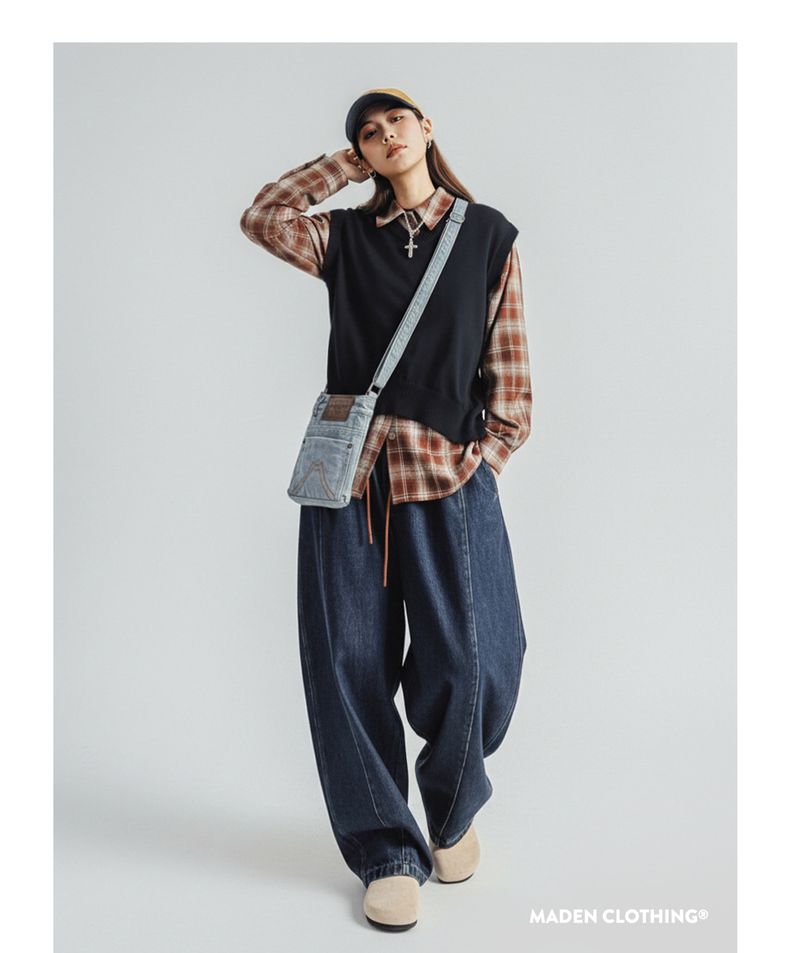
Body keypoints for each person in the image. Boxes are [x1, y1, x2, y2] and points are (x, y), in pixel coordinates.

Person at [240, 87, 532, 932]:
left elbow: (509, 361)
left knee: (480, 656)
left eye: (395, 121)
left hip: (449, 472)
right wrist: (346, 163)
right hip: (349, 478)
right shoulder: (343, 238)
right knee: (349, 659)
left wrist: (489, 456)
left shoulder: (486, 235)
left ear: (427, 128)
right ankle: (386, 849)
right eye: (367, 131)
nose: (383, 135)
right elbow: (264, 217)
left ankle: (452, 807)